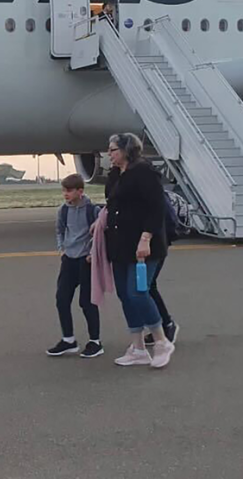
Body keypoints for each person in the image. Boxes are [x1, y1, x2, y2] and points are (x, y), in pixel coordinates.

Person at [104, 133, 175, 369]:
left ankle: (162, 341)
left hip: (143, 245)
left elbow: (156, 209)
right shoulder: (115, 175)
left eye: (113, 149)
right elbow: (112, 204)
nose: (109, 154)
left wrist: (146, 238)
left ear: (126, 150)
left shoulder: (143, 172)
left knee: (138, 292)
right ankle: (137, 348)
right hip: (120, 244)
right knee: (125, 295)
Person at [46, 174, 103, 358]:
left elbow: (100, 234)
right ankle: (68, 340)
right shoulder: (63, 210)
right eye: (64, 190)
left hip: (85, 260)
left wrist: (92, 252)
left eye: (69, 190)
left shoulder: (92, 210)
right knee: (62, 299)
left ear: (80, 191)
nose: (65, 194)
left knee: (86, 302)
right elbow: (60, 230)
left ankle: (95, 341)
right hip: (69, 259)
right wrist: (61, 248)